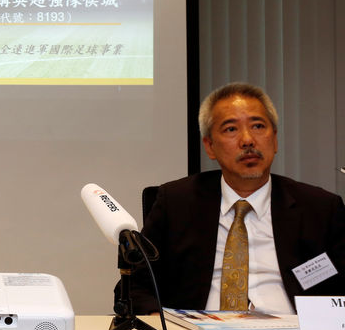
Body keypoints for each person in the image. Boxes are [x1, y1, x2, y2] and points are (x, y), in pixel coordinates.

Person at [128, 82, 345, 314]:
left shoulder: (320, 208)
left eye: (258, 126)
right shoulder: (176, 203)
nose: (248, 140)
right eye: (231, 129)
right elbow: (134, 286)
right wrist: (166, 328)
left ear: (275, 140)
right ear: (209, 146)